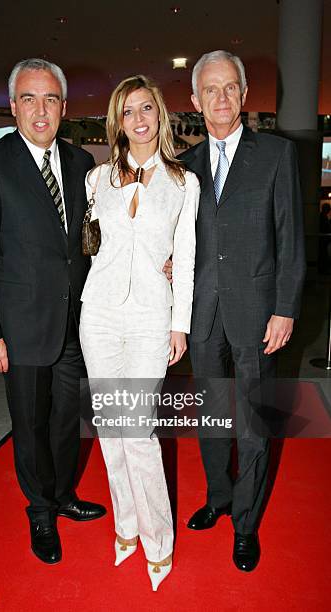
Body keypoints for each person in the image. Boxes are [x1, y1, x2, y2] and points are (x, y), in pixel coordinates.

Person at [0, 58, 105, 565]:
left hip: (74, 324)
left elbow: (89, 242)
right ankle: (39, 509)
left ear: (64, 107)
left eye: (49, 99)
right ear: (12, 105)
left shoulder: (82, 163)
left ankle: (63, 494)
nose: (39, 110)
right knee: (30, 421)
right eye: (28, 98)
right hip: (19, 327)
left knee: (68, 419)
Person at [178, 50, 306, 571]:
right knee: (211, 417)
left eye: (230, 87)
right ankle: (219, 497)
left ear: (245, 94)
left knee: (253, 423)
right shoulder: (181, 166)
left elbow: (290, 241)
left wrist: (285, 309)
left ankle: (246, 525)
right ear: (195, 100)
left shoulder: (277, 155)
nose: (221, 98)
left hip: (257, 313)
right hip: (202, 316)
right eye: (210, 89)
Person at [79, 75, 199, 590]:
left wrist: (180, 324)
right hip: (99, 315)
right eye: (127, 111)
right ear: (117, 121)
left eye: (146, 107)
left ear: (161, 115)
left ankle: (159, 539)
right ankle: (124, 525)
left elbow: (187, 259)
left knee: (140, 431)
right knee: (110, 429)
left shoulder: (182, 182)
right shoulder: (97, 179)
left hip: (152, 316)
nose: (138, 118)